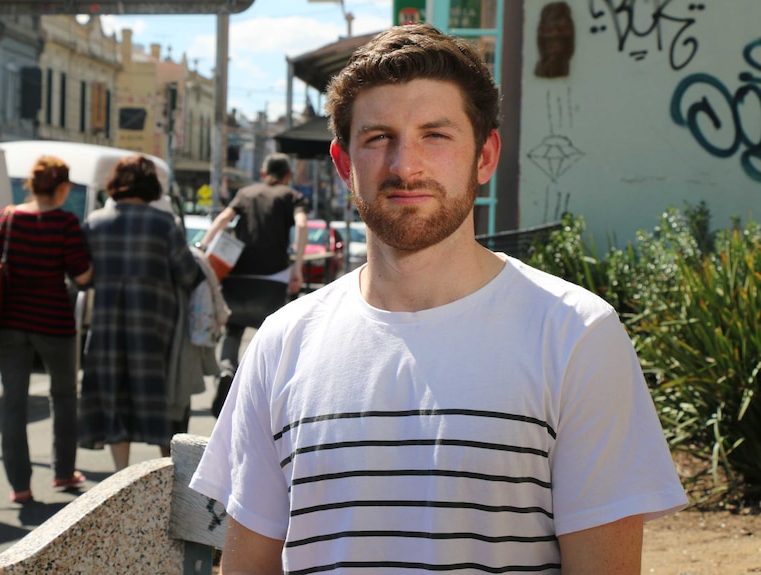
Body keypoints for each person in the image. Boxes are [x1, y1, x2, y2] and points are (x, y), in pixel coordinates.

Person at [189, 24, 688, 574]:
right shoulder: (282, 343)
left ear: (485, 155)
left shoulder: (575, 335)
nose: (406, 165)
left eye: (436, 134)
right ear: (344, 163)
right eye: (379, 137)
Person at [0, 155, 92, 504]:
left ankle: (20, 486)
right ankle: (63, 472)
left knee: (13, 403)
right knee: (62, 396)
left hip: (9, 322)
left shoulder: (8, 217)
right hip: (53, 322)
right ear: (61, 188)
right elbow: (83, 276)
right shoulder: (65, 222)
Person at [79, 155, 202, 471]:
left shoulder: (94, 223)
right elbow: (187, 275)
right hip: (153, 327)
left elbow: (83, 277)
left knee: (113, 395)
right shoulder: (164, 224)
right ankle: (167, 474)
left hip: (106, 327)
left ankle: (120, 474)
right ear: (151, 187)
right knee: (160, 399)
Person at [199, 153, 308, 418]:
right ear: (287, 175)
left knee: (233, 330)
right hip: (272, 280)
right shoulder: (291, 196)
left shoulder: (245, 193)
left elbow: (224, 218)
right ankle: (257, 394)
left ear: (263, 173)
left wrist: (204, 247)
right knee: (270, 336)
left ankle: (227, 370)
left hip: (237, 278)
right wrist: (298, 266)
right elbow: (302, 224)